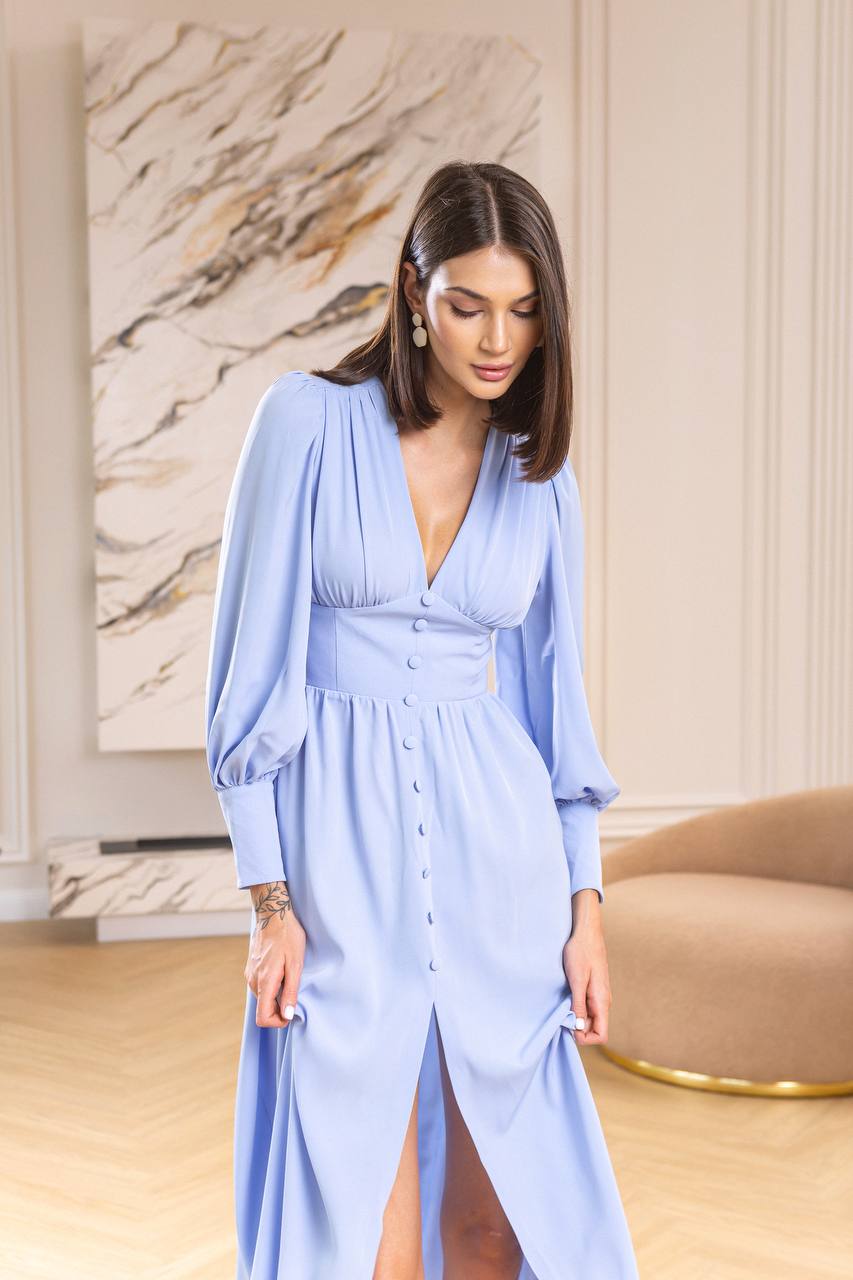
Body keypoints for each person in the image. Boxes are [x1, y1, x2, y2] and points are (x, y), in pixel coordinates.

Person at [205, 160, 639, 1280]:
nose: (497, 338)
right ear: (411, 291)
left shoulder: (540, 475)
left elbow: (557, 711)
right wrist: (270, 899)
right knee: (367, 1219)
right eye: (467, 303)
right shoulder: (304, 425)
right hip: (339, 865)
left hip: (501, 865)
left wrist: (584, 908)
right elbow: (249, 681)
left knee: (500, 1217)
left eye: (524, 308)